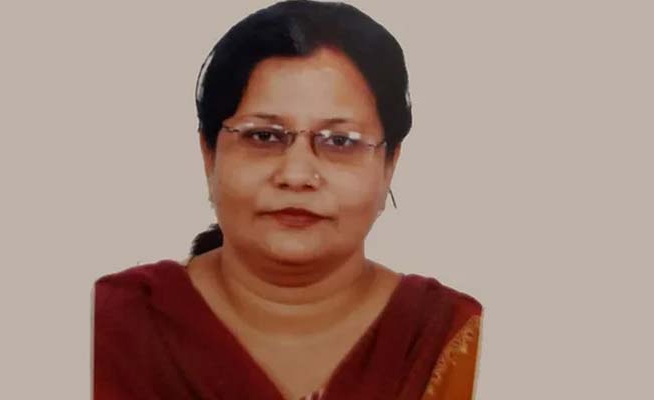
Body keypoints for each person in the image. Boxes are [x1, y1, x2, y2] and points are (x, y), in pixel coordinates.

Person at [93, 1, 483, 399]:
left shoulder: (456, 339)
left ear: (389, 165)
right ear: (209, 155)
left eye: (340, 141)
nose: (296, 175)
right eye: (263, 136)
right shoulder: (107, 328)